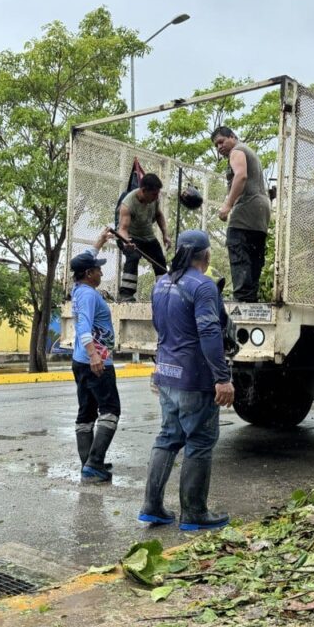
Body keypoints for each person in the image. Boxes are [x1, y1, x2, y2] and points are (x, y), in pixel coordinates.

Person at [138, 230, 235, 531]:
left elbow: (159, 326)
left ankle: (151, 507)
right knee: (200, 441)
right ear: (206, 256)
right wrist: (222, 378)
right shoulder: (204, 286)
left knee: (168, 437)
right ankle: (194, 513)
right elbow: (209, 333)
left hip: (167, 373)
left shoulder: (160, 284)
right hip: (196, 378)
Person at [70, 229, 121, 483]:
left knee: (86, 412)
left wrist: (101, 241)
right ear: (89, 274)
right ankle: (95, 462)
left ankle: (88, 464)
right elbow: (83, 328)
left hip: (79, 362)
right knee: (110, 410)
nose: (101, 272)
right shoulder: (90, 295)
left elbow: (87, 256)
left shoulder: (78, 288)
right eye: (98, 269)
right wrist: (95, 356)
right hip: (96, 362)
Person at [212, 126, 271, 302]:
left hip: (246, 210)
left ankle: (243, 300)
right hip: (261, 213)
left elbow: (241, 176)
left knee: (238, 249)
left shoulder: (237, 151)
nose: (219, 147)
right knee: (254, 258)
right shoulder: (249, 152)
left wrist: (227, 206)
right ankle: (250, 298)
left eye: (221, 142)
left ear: (232, 136)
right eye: (216, 145)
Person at [117, 172, 171, 302]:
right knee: (133, 256)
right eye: (154, 194)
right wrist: (126, 242)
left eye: (157, 193)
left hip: (147, 237)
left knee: (159, 260)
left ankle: (164, 293)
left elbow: (159, 215)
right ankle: (126, 294)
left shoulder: (154, 200)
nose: (156, 196)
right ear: (143, 191)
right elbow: (123, 229)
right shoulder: (128, 204)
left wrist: (165, 235)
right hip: (130, 236)